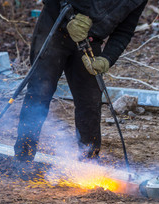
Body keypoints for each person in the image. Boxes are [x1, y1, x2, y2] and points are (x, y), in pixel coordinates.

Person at [13, 0, 148, 177]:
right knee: (39, 93)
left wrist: (107, 58)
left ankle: (89, 160)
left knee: (90, 101)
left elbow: (124, 31)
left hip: (88, 43)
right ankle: (23, 158)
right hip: (55, 28)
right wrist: (68, 13)